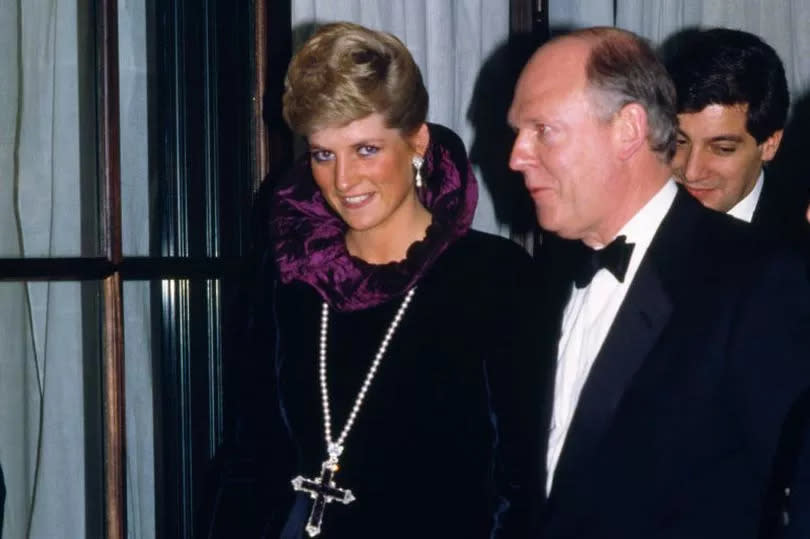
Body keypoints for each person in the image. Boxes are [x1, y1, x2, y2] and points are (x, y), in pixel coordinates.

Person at [201, 22, 545, 538]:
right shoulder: (289, 276)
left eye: (365, 149)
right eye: (323, 153)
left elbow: (523, 483)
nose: (343, 181)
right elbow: (249, 457)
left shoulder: (496, 279)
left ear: (416, 142)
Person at [508, 26, 810, 538]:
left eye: (544, 129)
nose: (517, 155)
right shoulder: (546, 274)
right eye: (518, 131)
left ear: (628, 130)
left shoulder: (766, 280)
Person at [666, 28, 809, 242]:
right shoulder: (628, 212)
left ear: (769, 144)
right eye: (679, 142)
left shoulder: (801, 240)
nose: (691, 172)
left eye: (722, 149)